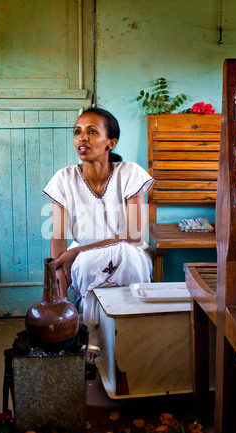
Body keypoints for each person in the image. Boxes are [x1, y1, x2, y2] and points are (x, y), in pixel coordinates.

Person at [43, 107, 154, 357]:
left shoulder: (129, 173)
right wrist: (58, 270)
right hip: (80, 257)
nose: (82, 138)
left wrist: (78, 251)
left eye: (92, 132)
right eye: (78, 132)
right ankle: (93, 331)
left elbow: (135, 235)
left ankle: (126, 331)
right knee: (86, 263)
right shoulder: (64, 178)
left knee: (119, 255)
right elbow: (59, 236)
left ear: (110, 143)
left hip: (129, 251)